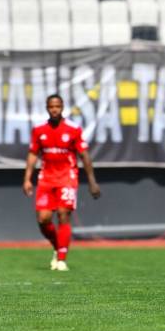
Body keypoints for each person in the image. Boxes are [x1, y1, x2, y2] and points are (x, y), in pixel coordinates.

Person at [23, 94, 101, 272]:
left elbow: (84, 155)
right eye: (51, 106)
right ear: (47, 108)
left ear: (63, 107)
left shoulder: (73, 129)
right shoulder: (39, 130)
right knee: (43, 219)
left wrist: (92, 182)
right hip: (46, 179)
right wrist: (27, 178)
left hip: (67, 178)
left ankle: (62, 259)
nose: (54, 109)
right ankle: (57, 245)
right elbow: (33, 154)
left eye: (57, 106)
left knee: (63, 214)